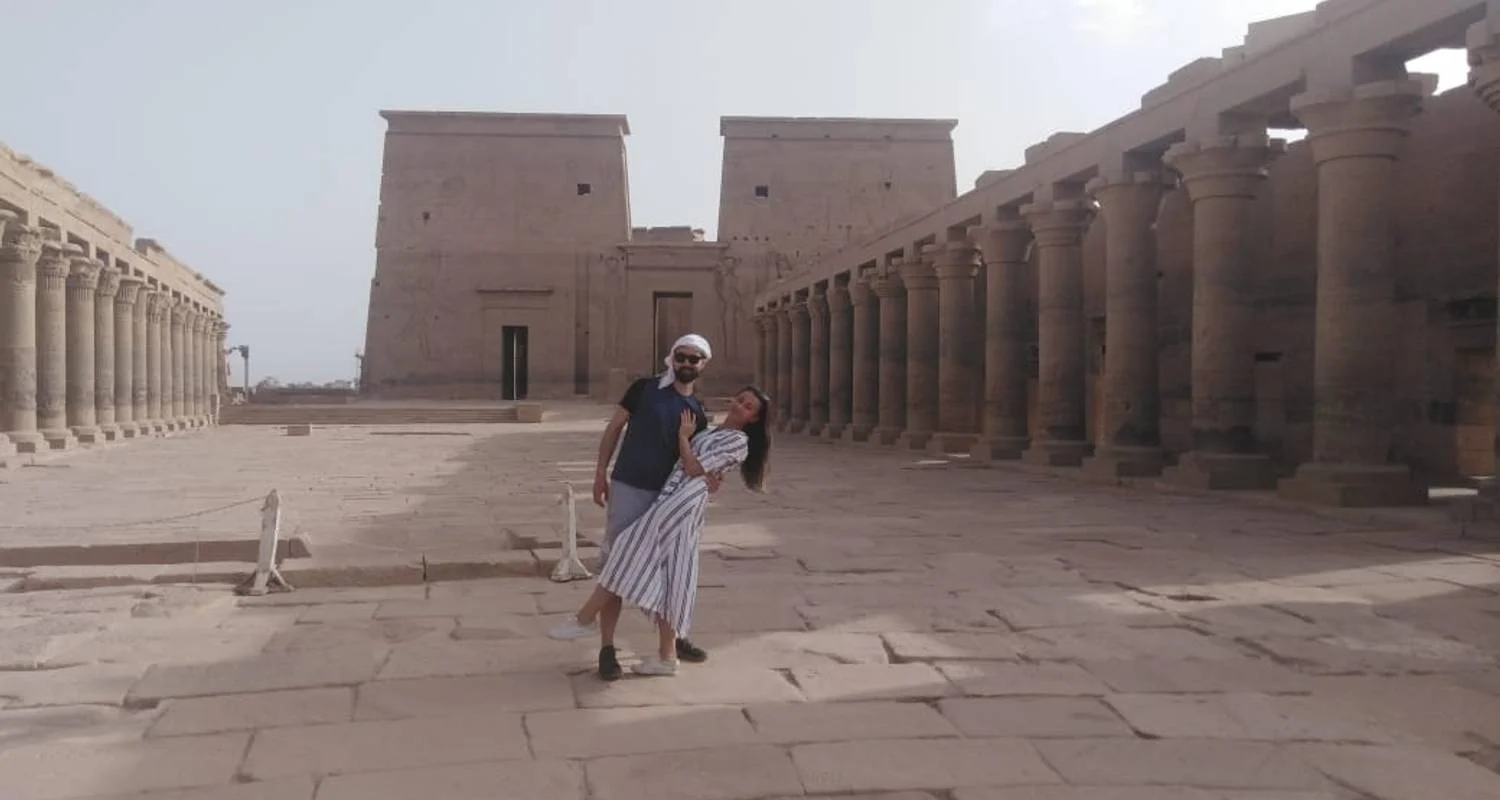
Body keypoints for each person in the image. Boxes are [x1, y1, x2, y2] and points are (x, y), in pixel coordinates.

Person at [551, 386, 772, 676]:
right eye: (740, 399)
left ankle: (585, 618)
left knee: (629, 547)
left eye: (748, 406)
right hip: (673, 494)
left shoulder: (738, 441)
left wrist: (683, 437)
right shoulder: (713, 431)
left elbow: (692, 468)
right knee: (672, 574)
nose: (740, 405)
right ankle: (667, 656)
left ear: (754, 419)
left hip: (683, 501)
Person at [564, 334, 721, 680]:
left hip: (667, 499)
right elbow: (614, 429)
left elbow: (696, 461)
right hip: (629, 487)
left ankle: (671, 642)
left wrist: (711, 477)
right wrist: (600, 472)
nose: (686, 363)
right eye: (681, 356)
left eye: (693, 359)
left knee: (668, 572)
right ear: (672, 357)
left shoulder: (696, 413)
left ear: (703, 364)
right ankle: (607, 648)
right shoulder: (645, 389)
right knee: (616, 564)